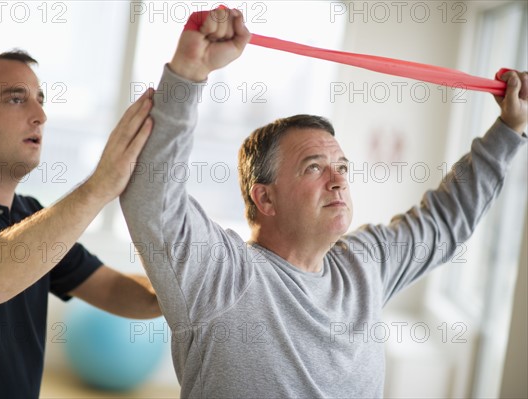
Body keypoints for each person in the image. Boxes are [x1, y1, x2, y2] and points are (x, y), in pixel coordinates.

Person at [120, 8, 528, 398]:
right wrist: (189, 73)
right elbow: (152, 199)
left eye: (342, 167)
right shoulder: (223, 275)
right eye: (314, 168)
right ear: (265, 197)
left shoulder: (364, 263)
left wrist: (509, 129)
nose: (338, 181)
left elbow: (444, 220)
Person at [0, 51, 160, 398]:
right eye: (17, 99)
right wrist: (100, 185)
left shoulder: (30, 215)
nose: (40, 116)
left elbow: (115, 291)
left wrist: (197, 288)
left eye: (40, 101)